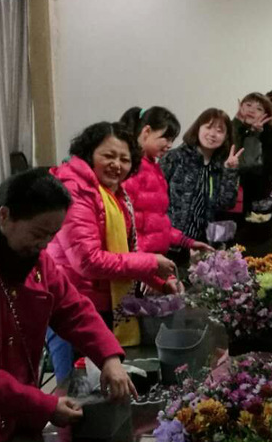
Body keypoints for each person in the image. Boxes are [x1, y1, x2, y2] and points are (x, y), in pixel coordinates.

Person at [0, 171, 134, 442]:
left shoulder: (34, 257)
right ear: (4, 216)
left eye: (52, 235)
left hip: (14, 408)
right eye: (38, 233)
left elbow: (73, 308)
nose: (44, 244)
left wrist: (109, 358)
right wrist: (45, 405)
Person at [49, 122, 178, 367]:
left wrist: (160, 282)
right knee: (78, 384)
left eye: (124, 159)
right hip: (71, 307)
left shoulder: (113, 193)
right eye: (108, 156)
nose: (117, 165)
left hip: (100, 302)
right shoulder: (75, 191)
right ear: (89, 154)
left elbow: (125, 251)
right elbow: (87, 261)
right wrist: (151, 262)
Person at [120, 106, 210, 256]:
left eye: (172, 140)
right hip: (140, 261)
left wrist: (187, 242)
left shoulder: (154, 168)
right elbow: (125, 225)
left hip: (154, 259)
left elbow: (158, 224)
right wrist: (144, 261)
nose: (169, 145)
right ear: (147, 132)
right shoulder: (132, 168)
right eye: (166, 138)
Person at [162, 108, 242, 243]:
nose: (213, 134)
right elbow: (154, 200)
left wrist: (229, 171)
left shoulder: (220, 165)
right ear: (198, 128)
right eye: (208, 127)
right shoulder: (175, 157)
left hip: (201, 243)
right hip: (170, 240)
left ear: (226, 137)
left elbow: (226, 204)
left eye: (219, 131)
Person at [232, 92, 272, 214]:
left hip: (245, 203)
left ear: (266, 116)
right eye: (248, 105)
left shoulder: (263, 138)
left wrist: (254, 133)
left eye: (259, 109)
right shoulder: (226, 127)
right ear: (241, 106)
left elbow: (248, 164)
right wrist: (237, 122)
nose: (252, 110)